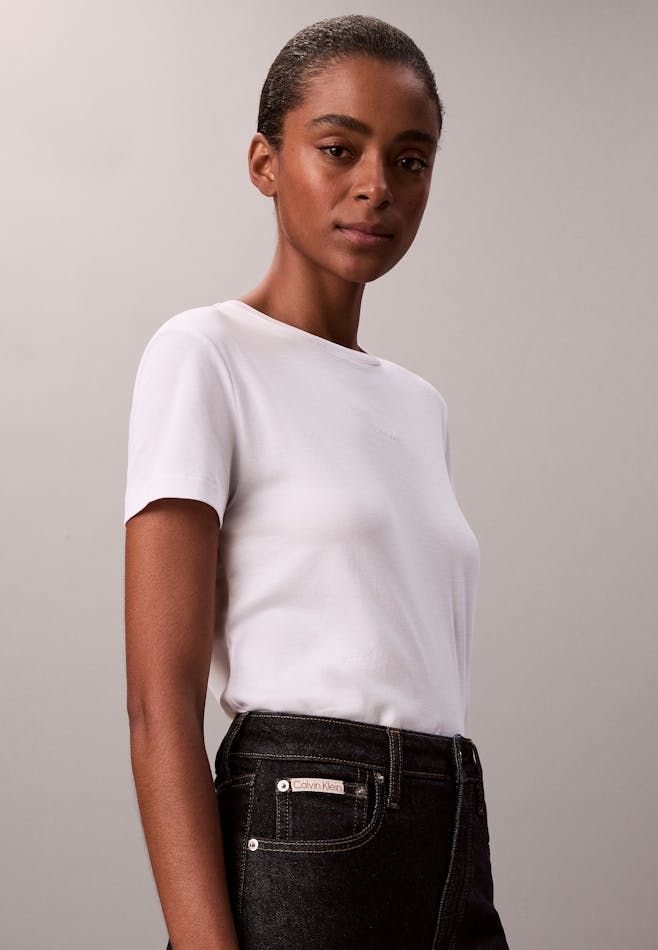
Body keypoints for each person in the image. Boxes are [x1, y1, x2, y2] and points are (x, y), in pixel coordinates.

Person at [124, 13, 509, 950]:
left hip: (449, 820)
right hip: (311, 820)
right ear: (265, 162)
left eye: (410, 160)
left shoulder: (418, 405)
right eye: (339, 149)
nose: (376, 185)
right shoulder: (205, 353)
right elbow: (157, 704)